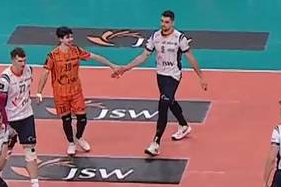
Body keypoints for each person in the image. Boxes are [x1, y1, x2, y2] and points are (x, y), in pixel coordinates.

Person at [113, 11, 209, 156]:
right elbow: (143, 56)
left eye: (166, 22)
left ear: (173, 23)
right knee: (169, 101)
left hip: (173, 75)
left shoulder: (179, 38)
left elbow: (191, 58)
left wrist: (201, 77)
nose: (163, 24)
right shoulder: (155, 37)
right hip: (160, 75)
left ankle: (156, 143)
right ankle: (184, 125)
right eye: (162, 21)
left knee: (163, 104)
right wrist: (125, 68)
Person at [34, 26, 116, 157]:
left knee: (82, 118)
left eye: (71, 36)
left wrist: (112, 65)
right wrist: (39, 92)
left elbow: (94, 56)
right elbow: (45, 73)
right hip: (60, 93)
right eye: (67, 37)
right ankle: (71, 143)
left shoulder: (76, 50)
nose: (71, 39)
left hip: (76, 91)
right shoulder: (53, 55)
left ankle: (79, 137)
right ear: (60, 39)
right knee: (66, 120)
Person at [0, 48, 53, 187]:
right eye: (20, 61)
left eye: (24, 60)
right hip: (11, 119)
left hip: (27, 116)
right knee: (5, 152)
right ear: (13, 60)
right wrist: (6, 125)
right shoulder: (5, 79)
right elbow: (0, 104)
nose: (23, 64)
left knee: (31, 151)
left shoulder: (29, 70)